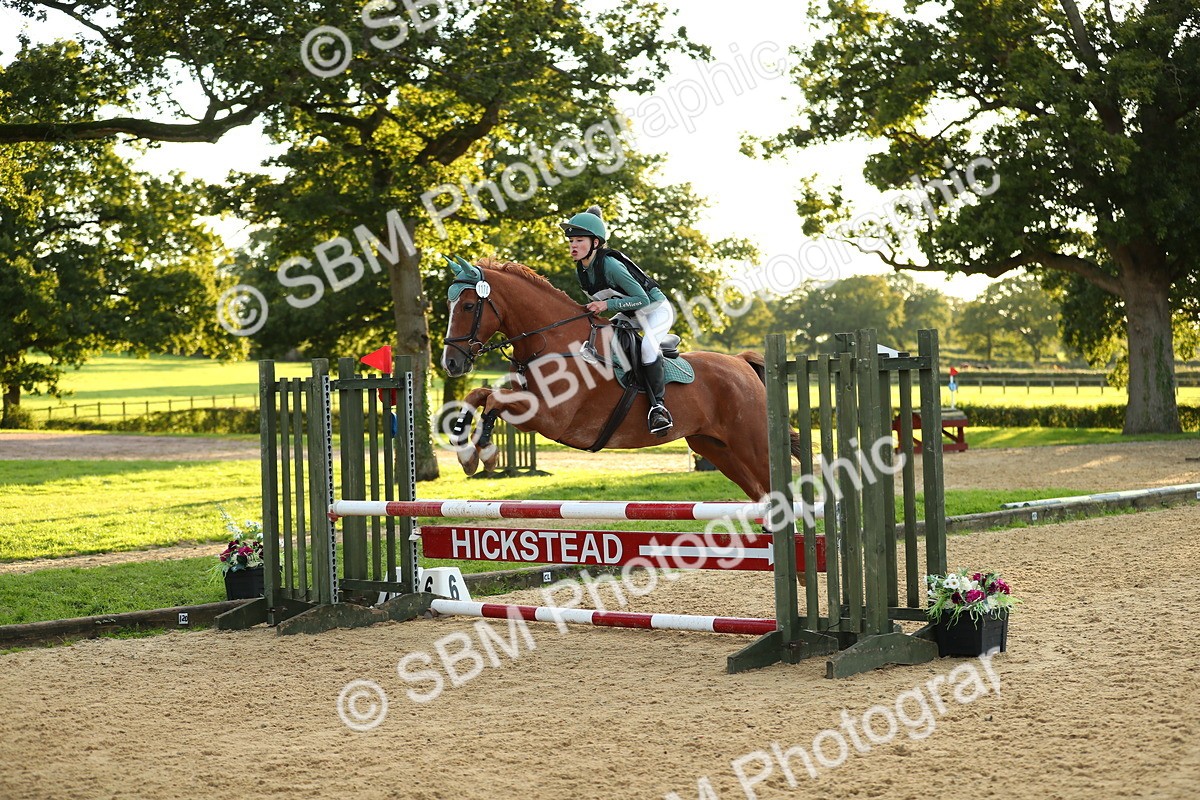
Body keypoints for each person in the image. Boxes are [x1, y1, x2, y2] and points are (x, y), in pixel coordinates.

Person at [560, 205, 675, 435]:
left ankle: (658, 408)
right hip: (630, 314)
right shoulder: (581, 271)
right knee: (597, 341)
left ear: (595, 243)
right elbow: (602, 304)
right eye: (571, 241)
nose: (573, 245)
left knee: (648, 350)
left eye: (579, 240)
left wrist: (606, 306)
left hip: (655, 310)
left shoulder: (610, 264)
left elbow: (641, 299)